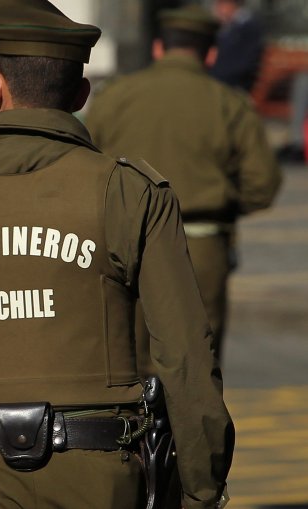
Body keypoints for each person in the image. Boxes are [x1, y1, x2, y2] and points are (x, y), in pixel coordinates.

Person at [0, 0, 234, 507]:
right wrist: (201, 491)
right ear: (80, 93)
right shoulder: (130, 193)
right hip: (104, 475)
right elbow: (186, 360)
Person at [87, 5, 282, 360]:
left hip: (126, 246)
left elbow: (84, 168)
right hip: (201, 246)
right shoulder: (229, 104)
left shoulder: (113, 97)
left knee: (128, 367)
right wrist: (222, 202)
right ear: (211, 53)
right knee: (195, 368)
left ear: (158, 48)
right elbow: (262, 184)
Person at [209, 0, 264, 92]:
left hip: (234, 84)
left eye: (220, 4)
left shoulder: (247, 28)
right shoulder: (227, 26)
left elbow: (244, 64)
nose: (217, 10)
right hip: (221, 81)